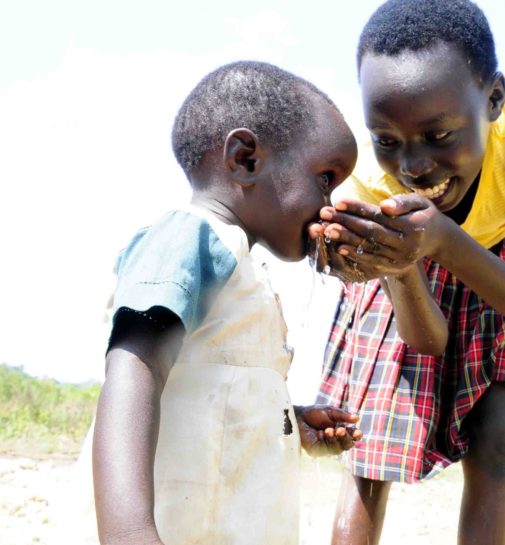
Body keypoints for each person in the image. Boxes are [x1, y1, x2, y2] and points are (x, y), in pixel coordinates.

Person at [314, 1, 505, 544]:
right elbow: (424, 340)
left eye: (439, 136)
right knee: (372, 446)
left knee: (493, 434)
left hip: (500, 267)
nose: (413, 167)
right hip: (397, 255)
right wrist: (399, 264)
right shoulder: (369, 183)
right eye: (387, 140)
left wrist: (445, 241)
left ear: (493, 99)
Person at [85, 61, 361, 545]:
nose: (330, 203)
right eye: (325, 178)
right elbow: (133, 372)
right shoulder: (191, 237)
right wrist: (129, 533)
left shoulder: (242, 268)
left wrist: (287, 421)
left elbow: (209, 389)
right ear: (247, 158)